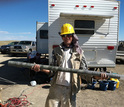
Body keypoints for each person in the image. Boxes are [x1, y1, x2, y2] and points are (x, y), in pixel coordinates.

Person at [31, 23, 108, 107]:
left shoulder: (79, 52)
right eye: (64, 35)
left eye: (69, 35)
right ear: (61, 37)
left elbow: (84, 73)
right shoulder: (56, 51)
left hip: (70, 89)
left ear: (73, 36)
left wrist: (97, 76)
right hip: (55, 87)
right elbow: (52, 71)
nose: (66, 37)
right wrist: (40, 68)